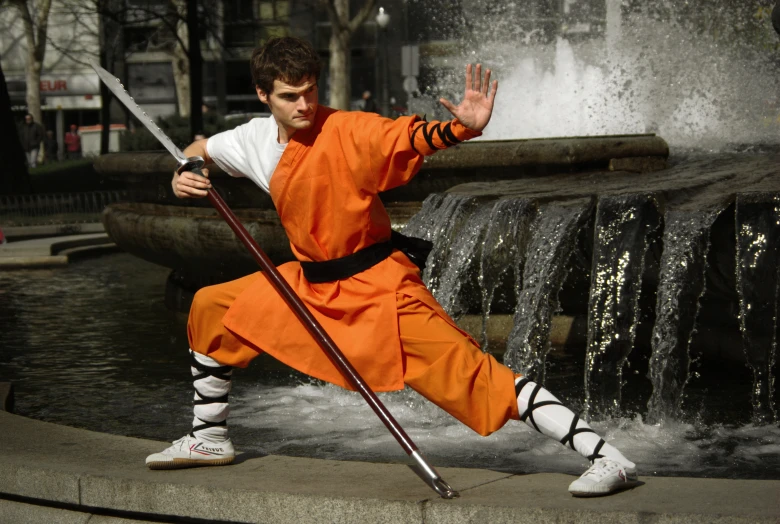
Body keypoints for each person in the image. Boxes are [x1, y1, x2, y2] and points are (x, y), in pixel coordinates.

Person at [146, 36, 638, 497]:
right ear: (263, 96)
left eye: (311, 91)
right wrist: (185, 173)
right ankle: (209, 438)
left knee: (474, 375)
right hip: (309, 285)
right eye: (290, 96)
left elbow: (404, 137)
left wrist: (460, 128)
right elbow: (200, 149)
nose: (304, 105)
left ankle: (606, 457)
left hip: (377, 287)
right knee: (212, 306)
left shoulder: (347, 130)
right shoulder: (254, 139)